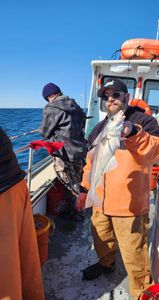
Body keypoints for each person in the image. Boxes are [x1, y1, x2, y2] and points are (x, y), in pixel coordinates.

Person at [76, 79, 159, 299]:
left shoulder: (144, 122)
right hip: (100, 200)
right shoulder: (99, 128)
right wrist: (84, 190)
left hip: (129, 205)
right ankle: (106, 265)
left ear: (126, 97)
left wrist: (135, 134)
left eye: (115, 95)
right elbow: (91, 163)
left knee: (135, 254)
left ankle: (141, 292)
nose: (110, 100)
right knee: (102, 240)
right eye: (106, 97)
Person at [0, 127, 45, 300]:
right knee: (26, 258)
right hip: (15, 182)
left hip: (7, 188)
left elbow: (47, 130)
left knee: (5, 280)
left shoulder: (53, 110)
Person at [39, 82, 88, 219]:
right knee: (79, 179)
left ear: (49, 96)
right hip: (80, 150)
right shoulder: (74, 105)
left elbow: (44, 132)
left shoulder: (51, 107)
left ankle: (77, 213)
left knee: (69, 184)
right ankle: (83, 205)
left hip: (65, 153)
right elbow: (82, 123)